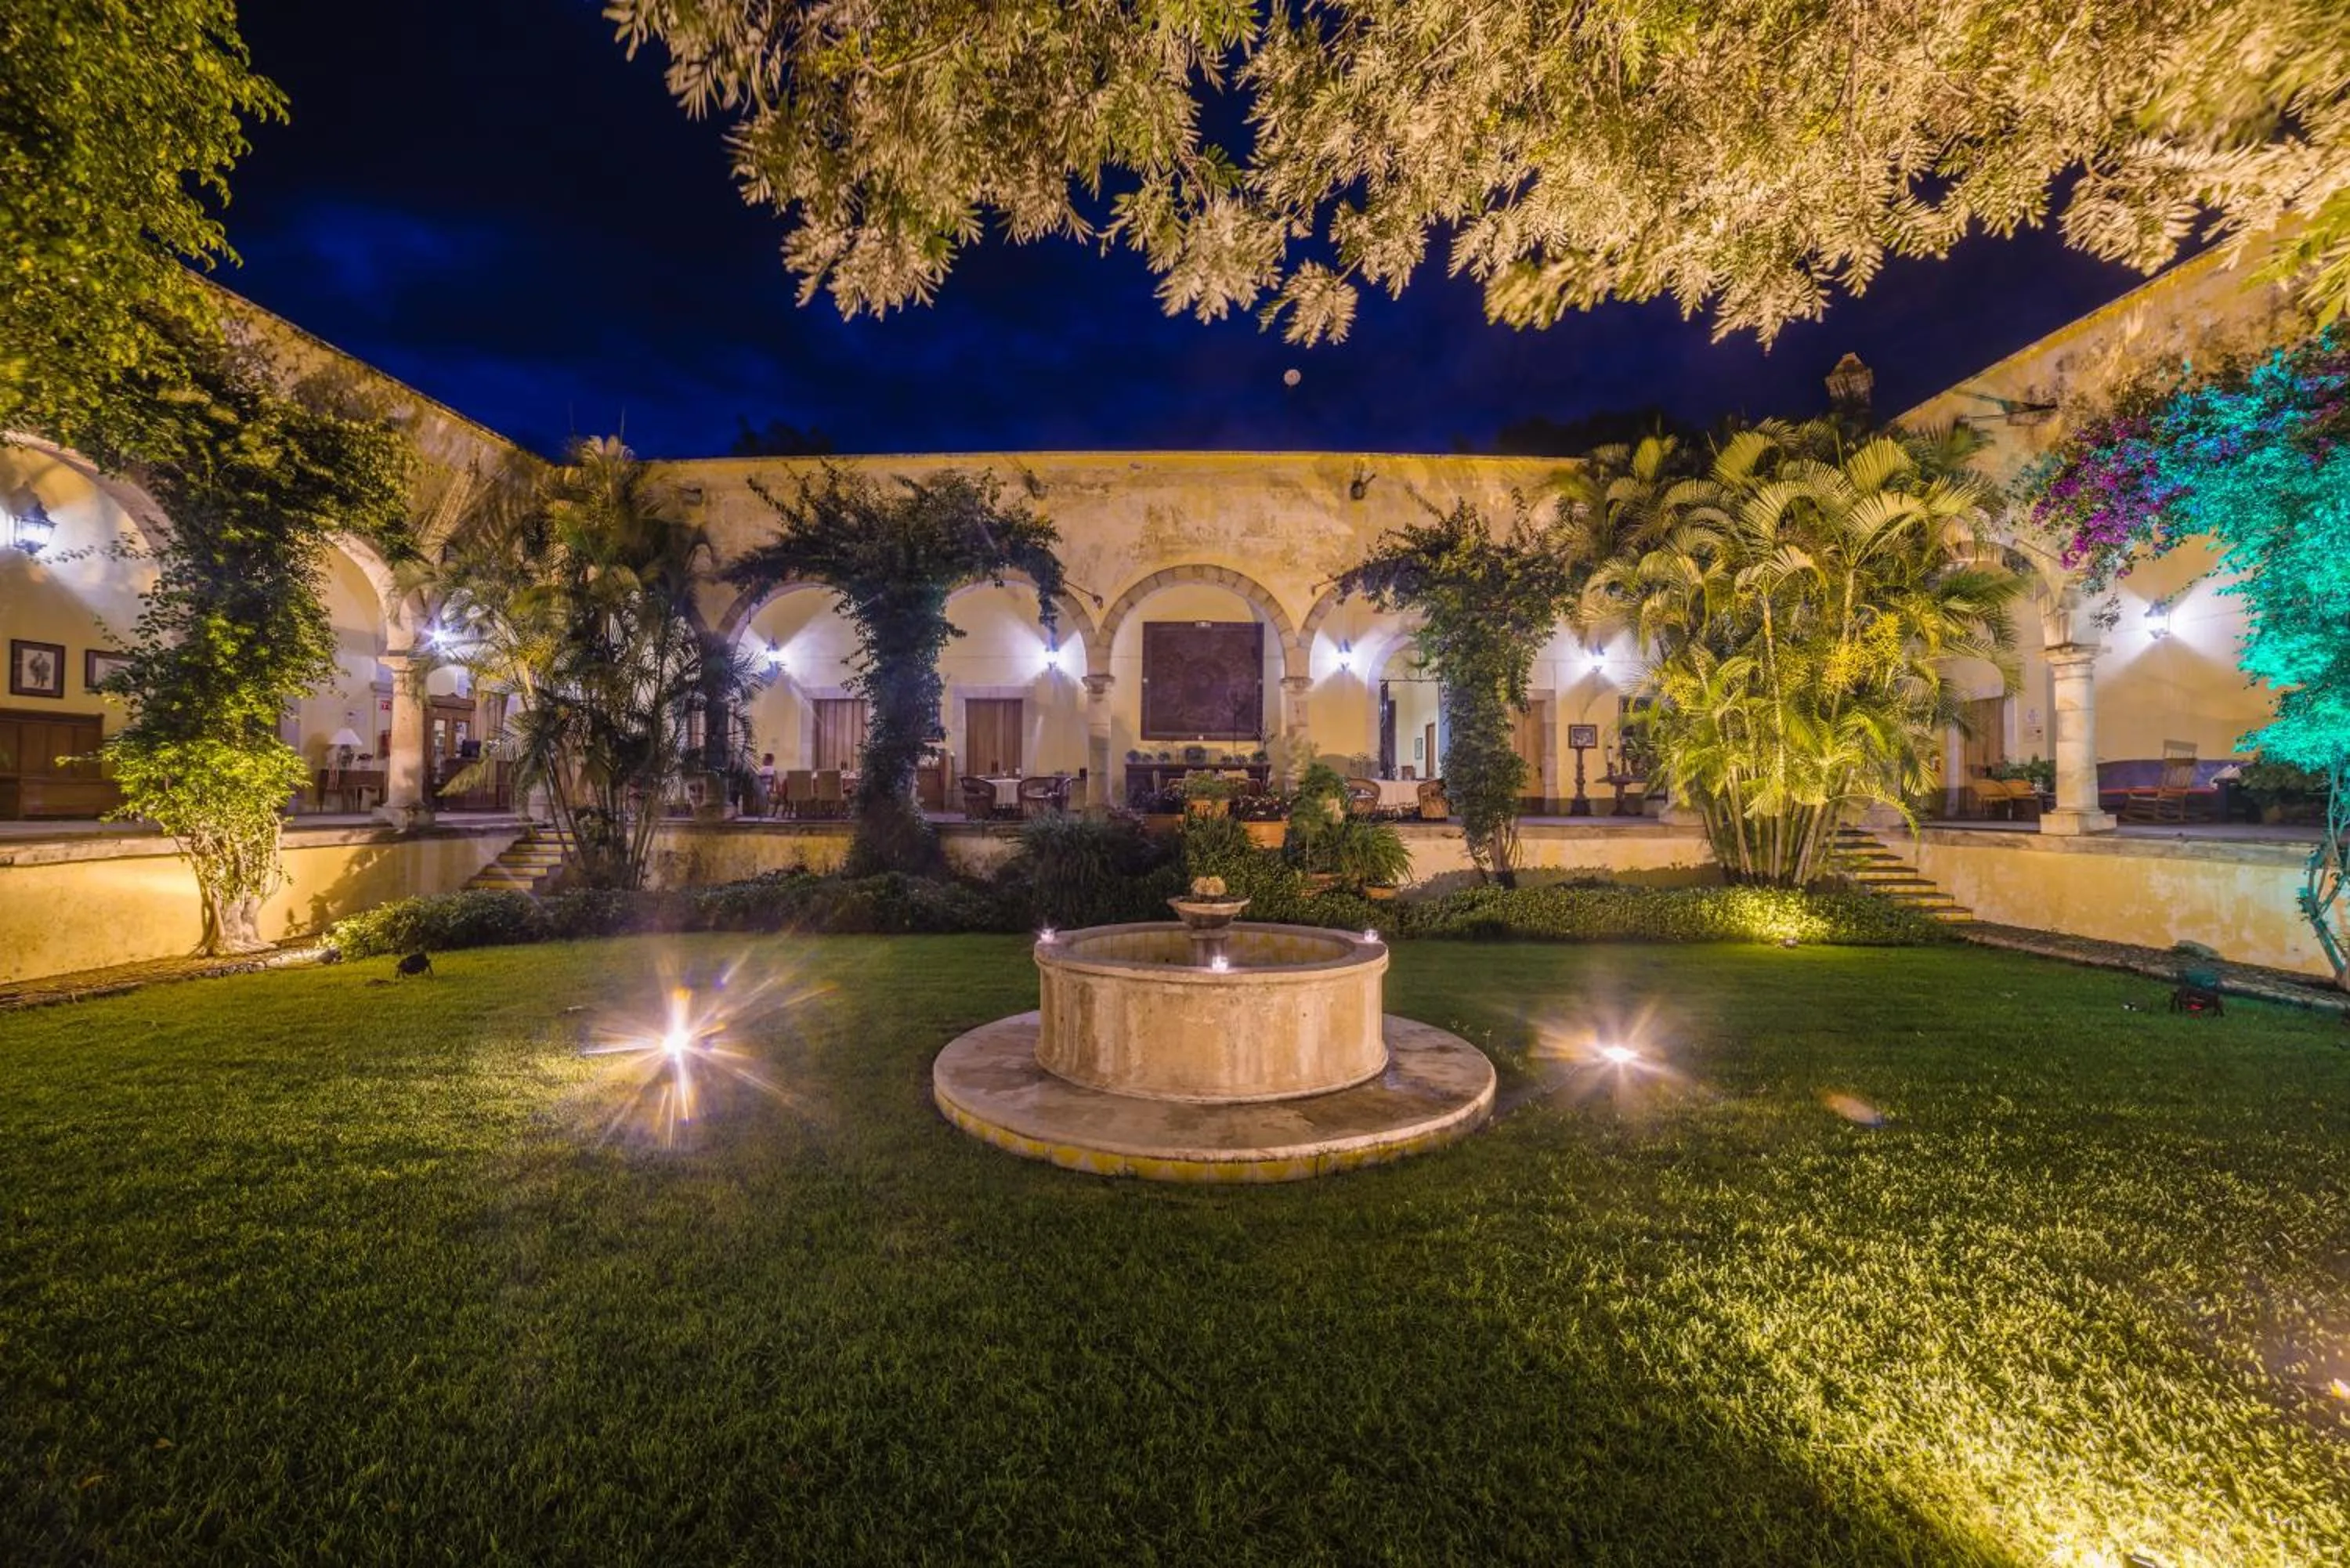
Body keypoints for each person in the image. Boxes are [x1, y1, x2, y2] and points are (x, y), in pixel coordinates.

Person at [756, 752, 778, 818]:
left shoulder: (765, 769)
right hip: (768, 787)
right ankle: (765, 813)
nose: (762, 760)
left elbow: (757, 776)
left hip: (764, 787)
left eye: (764, 759)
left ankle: (762, 813)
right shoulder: (772, 769)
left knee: (762, 800)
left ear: (768, 760)